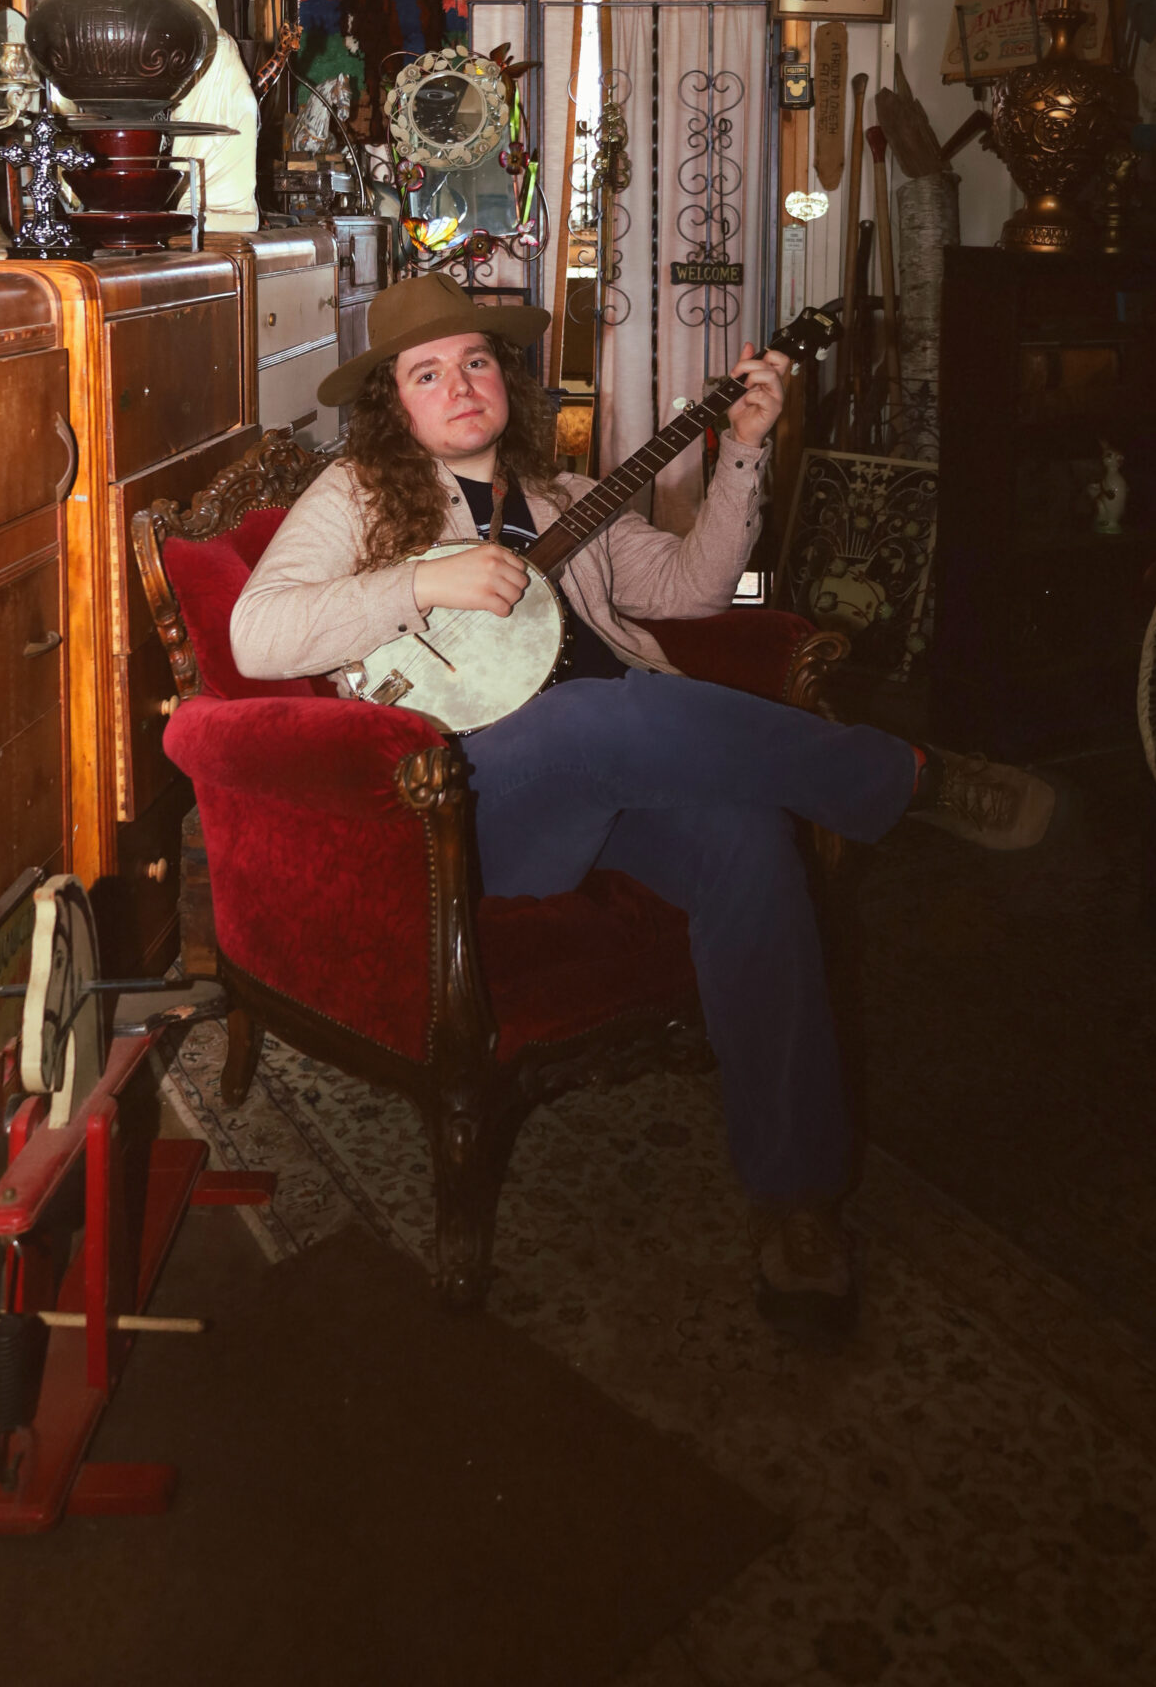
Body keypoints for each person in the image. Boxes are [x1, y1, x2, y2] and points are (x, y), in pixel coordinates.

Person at [230, 272, 1059, 1347]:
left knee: (746, 843)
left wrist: (746, 450)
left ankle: (798, 1203)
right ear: (393, 403)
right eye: (427, 372)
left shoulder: (564, 493)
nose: (461, 383)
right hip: (467, 806)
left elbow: (696, 592)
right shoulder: (355, 495)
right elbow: (256, 635)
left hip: (614, 774)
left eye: (477, 359)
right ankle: (907, 780)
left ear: (506, 377)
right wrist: (419, 586)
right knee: (602, 718)